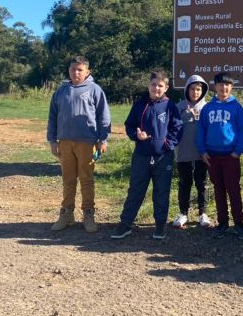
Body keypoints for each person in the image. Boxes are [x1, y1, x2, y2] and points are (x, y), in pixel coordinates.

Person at [111, 71, 182, 240]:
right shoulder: (139, 104)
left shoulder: (170, 106)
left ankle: (160, 225)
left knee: (161, 191)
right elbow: (129, 125)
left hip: (163, 157)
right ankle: (125, 224)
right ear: (148, 85)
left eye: (160, 85)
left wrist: (166, 144)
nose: (156, 88)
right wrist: (136, 136)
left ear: (166, 88)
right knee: (135, 190)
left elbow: (177, 129)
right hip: (141, 155)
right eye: (153, 85)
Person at [47, 55, 111, 233]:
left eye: (80, 69)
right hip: (65, 142)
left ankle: (88, 214)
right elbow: (52, 117)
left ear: (87, 71)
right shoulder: (61, 91)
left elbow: (103, 117)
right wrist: (52, 140)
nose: (76, 72)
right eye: (73, 69)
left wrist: (103, 139)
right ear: (69, 71)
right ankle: (67, 214)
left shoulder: (95, 90)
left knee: (86, 179)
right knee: (68, 180)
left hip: (87, 142)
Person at [196, 72, 243, 240]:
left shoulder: (236, 107)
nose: (223, 87)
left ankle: (239, 224)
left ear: (231, 87)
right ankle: (223, 223)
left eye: (227, 85)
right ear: (215, 87)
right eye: (220, 84)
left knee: (233, 190)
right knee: (218, 190)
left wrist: (238, 151)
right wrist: (203, 151)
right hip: (212, 156)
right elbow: (201, 130)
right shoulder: (208, 108)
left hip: (230, 156)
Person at [172, 75, 211, 229]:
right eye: (193, 89)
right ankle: (183, 213)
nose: (195, 92)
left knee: (202, 184)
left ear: (203, 91)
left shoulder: (207, 108)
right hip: (183, 152)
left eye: (199, 89)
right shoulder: (179, 107)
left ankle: (203, 213)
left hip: (202, 153)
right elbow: (172, 127)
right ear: (187, 90)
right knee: (184, 183)